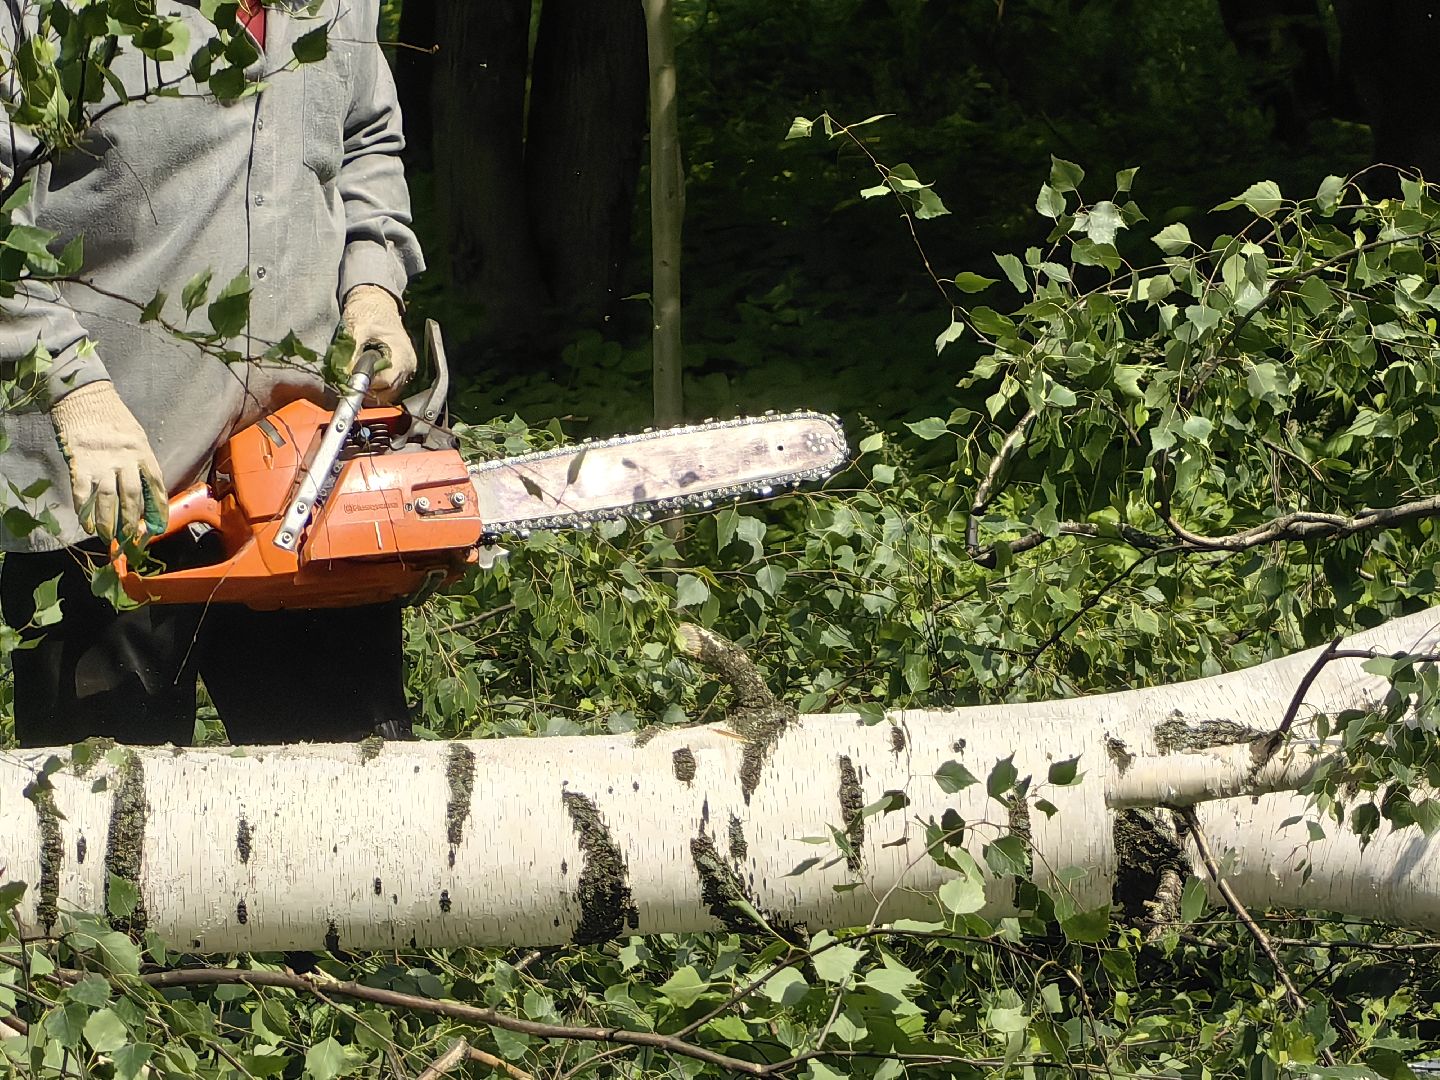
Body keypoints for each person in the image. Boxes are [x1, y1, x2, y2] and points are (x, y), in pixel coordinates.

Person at [0, 0, 426, 748]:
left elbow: (366, 142)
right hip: (108, 494)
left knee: (352, 819)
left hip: (302, 477)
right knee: (108, 826)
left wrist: (372, 282)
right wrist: (71, 387)